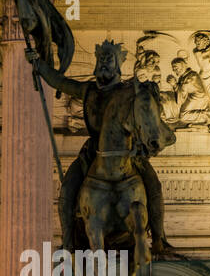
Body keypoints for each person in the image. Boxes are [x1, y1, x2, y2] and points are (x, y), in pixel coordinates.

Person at [27, 41, 176, 257]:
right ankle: (68, 242)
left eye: (109, 60)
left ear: (117, 66)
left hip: (128, 153)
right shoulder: (88, 90)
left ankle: (160, 238)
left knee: (154, 187)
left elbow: (147, 113)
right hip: (93, 153)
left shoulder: (127, 91)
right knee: (68, 190)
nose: (105, 63)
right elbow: (60, 82)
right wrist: (39, 65)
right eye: (102, 59)